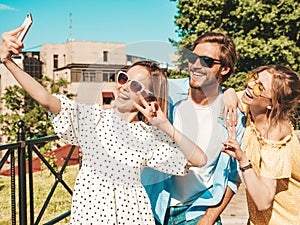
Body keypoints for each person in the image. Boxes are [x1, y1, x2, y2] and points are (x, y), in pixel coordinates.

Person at [0, 26, 208, 225]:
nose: (125, 86)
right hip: (90, 215)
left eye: (136, 85)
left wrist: (164, 125)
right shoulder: (93, 118)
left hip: (133, 216)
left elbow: (200, 159)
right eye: (124, 78)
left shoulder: (148, 136)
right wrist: (8, 61)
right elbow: (46, 99)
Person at [142, 32, 246, 225]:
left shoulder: (234, 117)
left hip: (197, 212)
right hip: (152, 206)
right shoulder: (167, 93)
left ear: (224, 69)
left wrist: (208, 220)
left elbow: (232, 178)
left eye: (206, 61)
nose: (195, 65)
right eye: (192, 57)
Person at [222, 65, 300, 225]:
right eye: (254, 78)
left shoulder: (275, 136)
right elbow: (233, 96)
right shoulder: (253, 107)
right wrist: (229, 91)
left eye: (260, 87)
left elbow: (263, 202)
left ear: (272, 104)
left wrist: (243, 160)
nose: (251, 85)